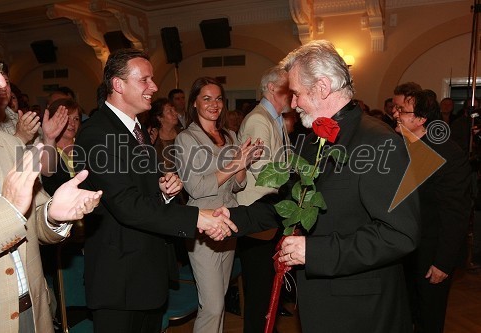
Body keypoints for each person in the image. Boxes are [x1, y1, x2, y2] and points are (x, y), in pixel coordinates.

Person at [73, 49, 247, 333]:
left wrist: (164, 190)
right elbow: (125, 204)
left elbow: (140, 188)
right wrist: (194, 217)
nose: (154, 87)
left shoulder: (135, 129)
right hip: (121, 277)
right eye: (145, 80)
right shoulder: (98, 133)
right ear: (118, 85)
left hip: (145, 270)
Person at [276, 40, 420, 333]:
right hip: (322, 303)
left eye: (296, 93)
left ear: (322, 87)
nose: (293, 103)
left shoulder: (378, 141)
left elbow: (400, 234)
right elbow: (296, 202)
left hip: (361, 313)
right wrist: (230, 217)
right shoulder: (312, 137)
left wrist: (313, 252)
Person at [0, 23, 102, 332]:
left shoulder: (7, 144)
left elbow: (34, 220)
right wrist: (9, 210)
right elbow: (11, 215)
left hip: (34, 310)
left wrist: (52, 215)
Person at [174, 76, 261, 333]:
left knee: (219, 302)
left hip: (228, 221)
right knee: (211, 306)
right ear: (194, 103)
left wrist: (243, 163)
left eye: (218, 98)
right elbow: (196, 188)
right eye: (207, 98)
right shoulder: (186, 139)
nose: (214, 104)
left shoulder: (230, 135)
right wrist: (235, 163)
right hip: (203, 225)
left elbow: (237, 185)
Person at [392, 87, 471, 333]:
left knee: (428, 318)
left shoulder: (448, 154)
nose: (394, 113)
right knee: (404, 314)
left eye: (401, 110)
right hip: (401, 250)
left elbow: (455, 213)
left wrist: (443, 263)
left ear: (421, 118)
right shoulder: (396, 146)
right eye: (394, 108)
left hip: (431, 252)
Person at [236, 65, 291, 333]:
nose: (291, 92)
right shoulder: (259, 119)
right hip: (256, 213)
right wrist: (294, 180)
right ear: (270, 88)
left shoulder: (274, 119)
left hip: (268, 212)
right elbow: (261, 168)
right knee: (258, 288)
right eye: (286, 86)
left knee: (268, 284)